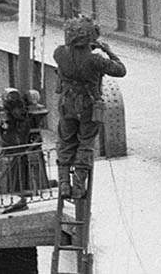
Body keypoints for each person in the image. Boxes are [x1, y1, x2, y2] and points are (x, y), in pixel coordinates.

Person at [52, 16, 127, 198]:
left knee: (66, 142)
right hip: (88, 105)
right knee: (85, 143)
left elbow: (73, 56)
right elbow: (121, 70)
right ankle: (78, 185)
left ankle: (64, 184)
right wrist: (108, 51)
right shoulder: (95, 60)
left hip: (67, 103)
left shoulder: (59, 53)